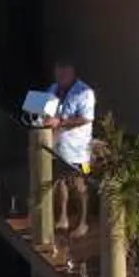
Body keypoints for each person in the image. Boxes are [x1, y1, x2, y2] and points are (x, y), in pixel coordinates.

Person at [37, 61, 97, 238]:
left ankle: (83, 222)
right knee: (61, 182)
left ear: (72, 74)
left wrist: (60, 122)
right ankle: (62, 217)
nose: (60, 78)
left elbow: (86, 118)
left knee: (80, 185)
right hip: (57, 147)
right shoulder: (52, 89)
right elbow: (43, 112)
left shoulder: (85, 92)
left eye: (63, 75)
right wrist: (45, 118)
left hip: (79, 151)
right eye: (58, 74)